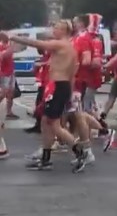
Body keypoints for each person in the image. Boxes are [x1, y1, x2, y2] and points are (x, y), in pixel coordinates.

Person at [10, 20, 87, 172]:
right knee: (46, 122)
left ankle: (79, 151)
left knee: (54, 124)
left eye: (57, 28)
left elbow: (36, 43)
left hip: (59, 86)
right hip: (58, 87)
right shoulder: (67, 47)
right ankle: (46, 159)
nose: (53, 30)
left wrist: (13, 37)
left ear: (64, 31)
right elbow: (72, 73)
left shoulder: (61, 44)